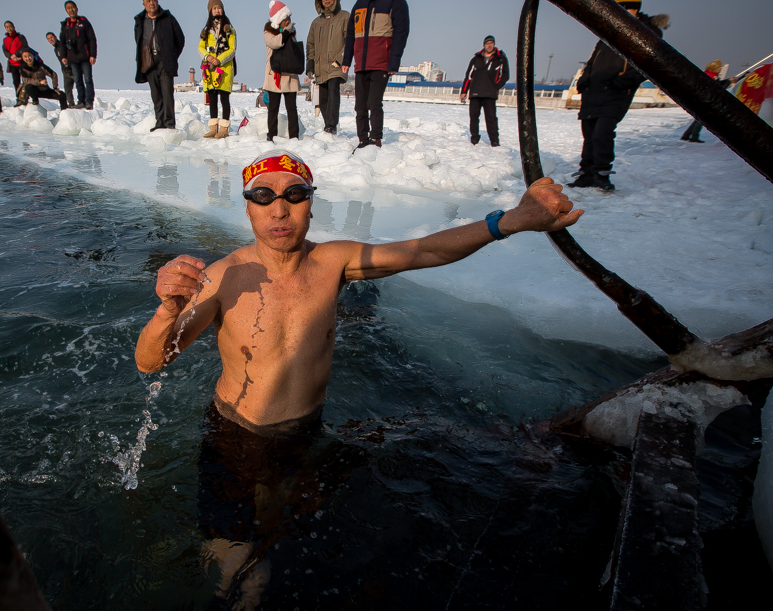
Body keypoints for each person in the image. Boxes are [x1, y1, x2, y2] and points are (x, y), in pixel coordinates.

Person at [134, 149, 582, 604]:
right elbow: (151, 362)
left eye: (295, 194)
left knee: (272, 549)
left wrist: (506, 222)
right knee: (232, 566)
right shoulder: (223, 276)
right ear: (248, 205)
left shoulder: (333, 261)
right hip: (235, 436)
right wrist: (167, 309)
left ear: (311, 201)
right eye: (263, 196)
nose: (280, 208)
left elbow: (422, 250)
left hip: (303, 432)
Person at [573, 0, 669, 191]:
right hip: (593, 91)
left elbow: (647, 65)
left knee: (602, 133)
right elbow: (594, 58)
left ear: (637, 6)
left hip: (616, 92)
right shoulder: (608, 30)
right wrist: (584, 79)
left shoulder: (646, 32)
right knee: (589, 134)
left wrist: (622, 82)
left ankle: (602, 174)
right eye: (620, 7)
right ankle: (586, 174)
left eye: (629, 6)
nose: (624, 11)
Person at [342, 0, 410, 148]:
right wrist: (347, 59)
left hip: (381, 62)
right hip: (361, 64)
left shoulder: (396, 0)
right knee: (360, 106)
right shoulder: (360, 4)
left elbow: (401, 32)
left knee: (374, 103)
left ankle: (375, 139)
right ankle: (362, 140)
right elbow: (350, 34)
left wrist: (394, 60)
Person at [134, 0, 185, 130]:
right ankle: (160, 122)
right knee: (156, 93)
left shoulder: (168, 18)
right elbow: (138, 40)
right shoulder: (140, 21)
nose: (152, 3)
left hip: (165, 59)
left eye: (154, 0)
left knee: (167, 91)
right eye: (148, 1)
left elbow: (180, 39)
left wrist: (172, 55)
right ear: (144, 4)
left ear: (157, 1)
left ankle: (169, 123)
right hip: (149, 60)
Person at [306, 0, 350, 135]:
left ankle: (331, 125)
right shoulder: (316, 22)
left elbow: (350, 40)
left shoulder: (344, 16)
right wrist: (310, 63)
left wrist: (340, 59)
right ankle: (328, 125)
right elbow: (310, 44)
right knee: (323, 98)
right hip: (320, 66)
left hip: (336, 65)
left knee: (333, 92)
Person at [198, 0, 237, 139]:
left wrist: (218, 60)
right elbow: (200, 47)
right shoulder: (206, 31)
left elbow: (232, 49)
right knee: (212, 98)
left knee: (224, 98)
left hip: (224, 69)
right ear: (210, 11)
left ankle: (224, 128)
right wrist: (208, 57)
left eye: (219, 8)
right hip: (209, 69)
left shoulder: (229, 29)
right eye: (214, 8)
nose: (217, 10)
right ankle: (213, 128)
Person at [460, 35, 509, 147]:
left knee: (491, 118)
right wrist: (464, 91)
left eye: (491, 43)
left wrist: (495, 86)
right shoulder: (475, 59)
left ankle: (494, 140)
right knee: (474, 117)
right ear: (484, 45)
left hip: (490, 94)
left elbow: (505, 76)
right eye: (487, 43)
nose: (489, 45)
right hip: (475, 93)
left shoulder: (500, 59)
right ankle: (474, 138)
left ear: (494, 44)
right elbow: (468, 77)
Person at [263, 0, 300, 141]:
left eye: (289, 18)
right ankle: (271, 136)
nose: (288, 21)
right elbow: (276, 43)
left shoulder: (291, 32)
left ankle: (294, 136)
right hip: (275, 75)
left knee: (292, 108)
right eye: (285, 19)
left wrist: (289, 32)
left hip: (289, 74)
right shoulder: (268, 32)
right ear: (278, 19)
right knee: (273, 108)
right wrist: (286, 32)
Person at [681, 59, 735, 143]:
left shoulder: (708, 75)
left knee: (698, 119)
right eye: (719, 67)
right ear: (715, 68)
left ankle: (686, 135)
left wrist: (728, 81)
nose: (721, 68)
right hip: (704, 100)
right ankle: (694, 137)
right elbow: (717, 87)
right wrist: (729, 81)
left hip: (700, 99)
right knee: (702, 119)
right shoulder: (711, 76)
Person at [59, 0, 97, 108]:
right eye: (68, 8)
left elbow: (92, 39)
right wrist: (63, 56)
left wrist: (93, 55)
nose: (71, 10)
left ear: (77, 8)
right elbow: (62, 42)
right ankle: (81, 101)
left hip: (85, 57)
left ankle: (89, 101)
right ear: (66, 11)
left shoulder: (84, 22)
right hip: (72, 58)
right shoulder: (65, 25)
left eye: (73, 7)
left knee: (88, 79)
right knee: (78, 80)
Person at [46, 31, 75, 108]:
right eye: (48, 39)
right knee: (67, 89)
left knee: (80, 86)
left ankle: (83, 102)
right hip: (66, 72)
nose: (50, 40)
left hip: (73, 69)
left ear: (55, 37)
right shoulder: (55, 49)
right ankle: (71, 104)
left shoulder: (63, 45)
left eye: (51, 37)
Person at [2, 21, 28, 93]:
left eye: (10, 26)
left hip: (22, 61)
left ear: (14, 27)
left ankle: (27, 97)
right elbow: (5, 51)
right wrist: (11, 56)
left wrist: (16, 54)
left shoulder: (20, 37)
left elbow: (25, 47)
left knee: (26, 80)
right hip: (12, 63)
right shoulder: (5, 40)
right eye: (7, 27)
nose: (9, 28)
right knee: (16, 82)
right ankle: (19, 97)